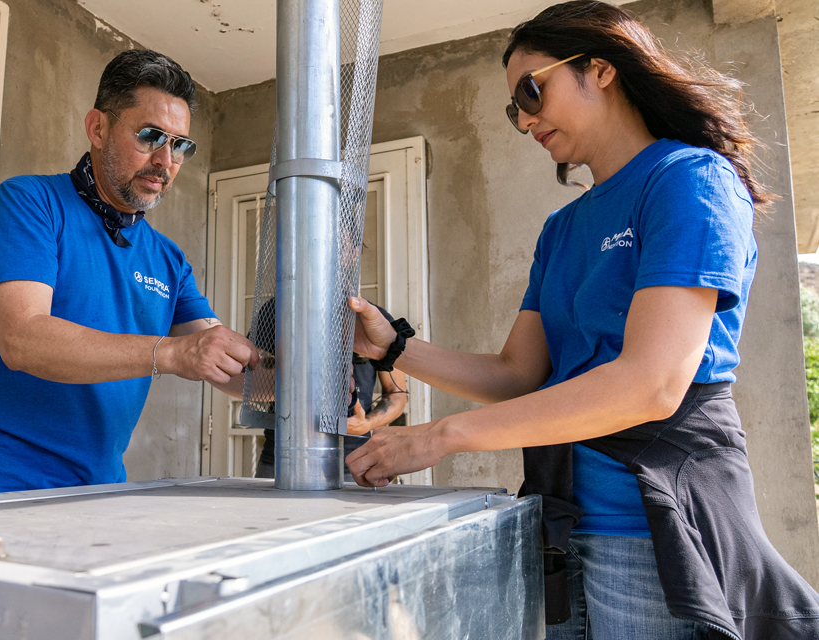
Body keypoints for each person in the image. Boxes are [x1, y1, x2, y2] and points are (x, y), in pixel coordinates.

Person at [345, 2, 819, 639]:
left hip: (656, 528)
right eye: (514, 109)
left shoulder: (689, 179)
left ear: (600, 68)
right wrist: (394, 347)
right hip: (562, 526)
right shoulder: (562, 229)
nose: (525, 116)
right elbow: (520, 374)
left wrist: (437, 438)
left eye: (531, 90)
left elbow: (652, 383)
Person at [0, 50, 257, 498]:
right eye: (150, 136)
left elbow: (225, 364)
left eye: (180, 144)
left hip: (100, 490)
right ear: (97, 128)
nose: (166, 161)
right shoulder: (27, 203)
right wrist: (174, 352)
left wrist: (319, 375)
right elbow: (22, 339)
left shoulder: (168, 260)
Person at [254, 356, 407, 480]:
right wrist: (300, 383)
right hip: (281, 457)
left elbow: (397, 394)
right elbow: (250, 378)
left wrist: (367, 424)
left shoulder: (382, 322)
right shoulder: (277, 317)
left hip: (353, 461)